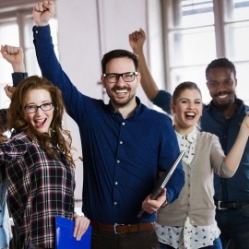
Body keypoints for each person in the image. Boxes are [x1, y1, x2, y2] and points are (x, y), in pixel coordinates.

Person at [31, 1, 185, 249]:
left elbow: (175, 174)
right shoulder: (89, 113)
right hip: (97, 237)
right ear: (103, 80)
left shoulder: (160, 124)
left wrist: (165, 197)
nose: (120, 82)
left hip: (142, 237)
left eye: (127, 75)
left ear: (138, 78)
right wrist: (42, 25)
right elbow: (55, 76)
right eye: (113, 76)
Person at [129, 28, 249, 249]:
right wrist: (138, 52)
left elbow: (227, 169)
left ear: (235, 81)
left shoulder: (246, 120)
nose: (221, 88)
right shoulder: (193, 111)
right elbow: (154, 93)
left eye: (227, 82)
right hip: (198, 216)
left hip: (244, 215)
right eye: (213, 83)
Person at [0, 73, 90, 249]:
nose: (40, 113)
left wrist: (75, 216)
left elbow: (56, 198)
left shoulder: (56, 146)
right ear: (22, 111)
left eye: (46, 105)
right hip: (34, 244)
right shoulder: (22, 141)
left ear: (55, 107)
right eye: (31, 107)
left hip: (66, 242)